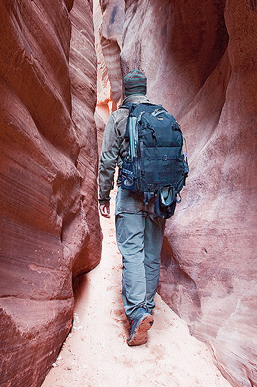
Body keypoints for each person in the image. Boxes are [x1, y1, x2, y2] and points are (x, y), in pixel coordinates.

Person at [98, 69, 165, 346]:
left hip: (129, 195)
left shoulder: (119, 117)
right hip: (159, 197)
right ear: (145, 88)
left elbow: (107, 161)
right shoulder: (162, 117)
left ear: (125, 90)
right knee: (151, 253)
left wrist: (103, 196)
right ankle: (147, 306)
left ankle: (138, 314)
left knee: (133, 253)